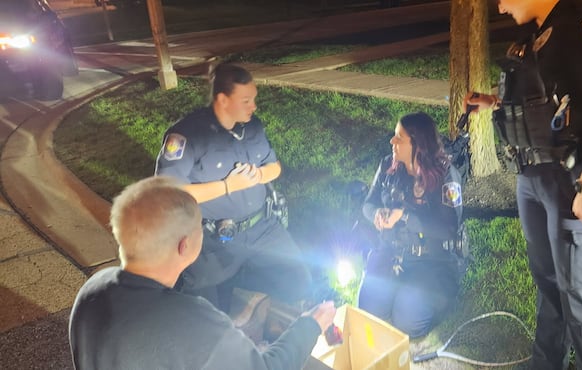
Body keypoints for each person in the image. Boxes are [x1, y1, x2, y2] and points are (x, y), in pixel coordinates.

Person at [464, 0, 582, 369]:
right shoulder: (535, 36)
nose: (499, 4)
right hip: (534, 179)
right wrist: (494, 103)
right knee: (549, 286)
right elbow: (546, 102)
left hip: (577, 183)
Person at [68, 176, 336, 370]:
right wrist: (310, 324)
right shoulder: (191, 319)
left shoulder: (91, 290)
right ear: (185, 245)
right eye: (201, 227)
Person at [155, 63, 312, 324]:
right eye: (246, 100)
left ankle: (247, 293)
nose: (254, 106)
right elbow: (167, 194)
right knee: (207, 317)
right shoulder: (187, 135)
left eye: (254, 99)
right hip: (213, 240)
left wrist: (260, 175)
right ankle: (225, 299)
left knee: (299, 280)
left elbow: (275, 167)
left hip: (263, 228)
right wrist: (228, 186)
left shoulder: (252, 128)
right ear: (223, 100)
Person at [357, 112, 463, 339]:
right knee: (368, 311)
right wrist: (377, 213)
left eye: (399, 138)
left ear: (418, 144)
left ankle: (431, 299)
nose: (392, 141)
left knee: (408, 323)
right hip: (392, 255)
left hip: (431, 264)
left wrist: (405, 216)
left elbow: (449, 228)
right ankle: (398, 292)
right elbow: (368, 205)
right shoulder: (388, 166)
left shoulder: (445, 176)